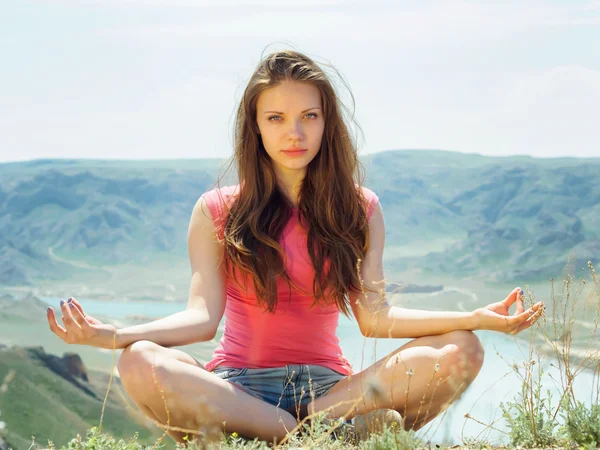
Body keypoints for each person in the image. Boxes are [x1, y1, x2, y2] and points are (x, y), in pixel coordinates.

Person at [46, 50, 544, 444]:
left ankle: (300, 426)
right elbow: (201, 318)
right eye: (277, 118)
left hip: (330, 391)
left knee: (463, 349)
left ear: (328, 124)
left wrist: (473, 318)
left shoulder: (359, 207)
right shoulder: (216, 209)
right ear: (256, 126)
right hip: (236, 388)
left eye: (309, 116)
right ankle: (293, 433)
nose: (295, 132)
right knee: (138, 362)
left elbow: (374, 318)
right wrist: (114, 334)